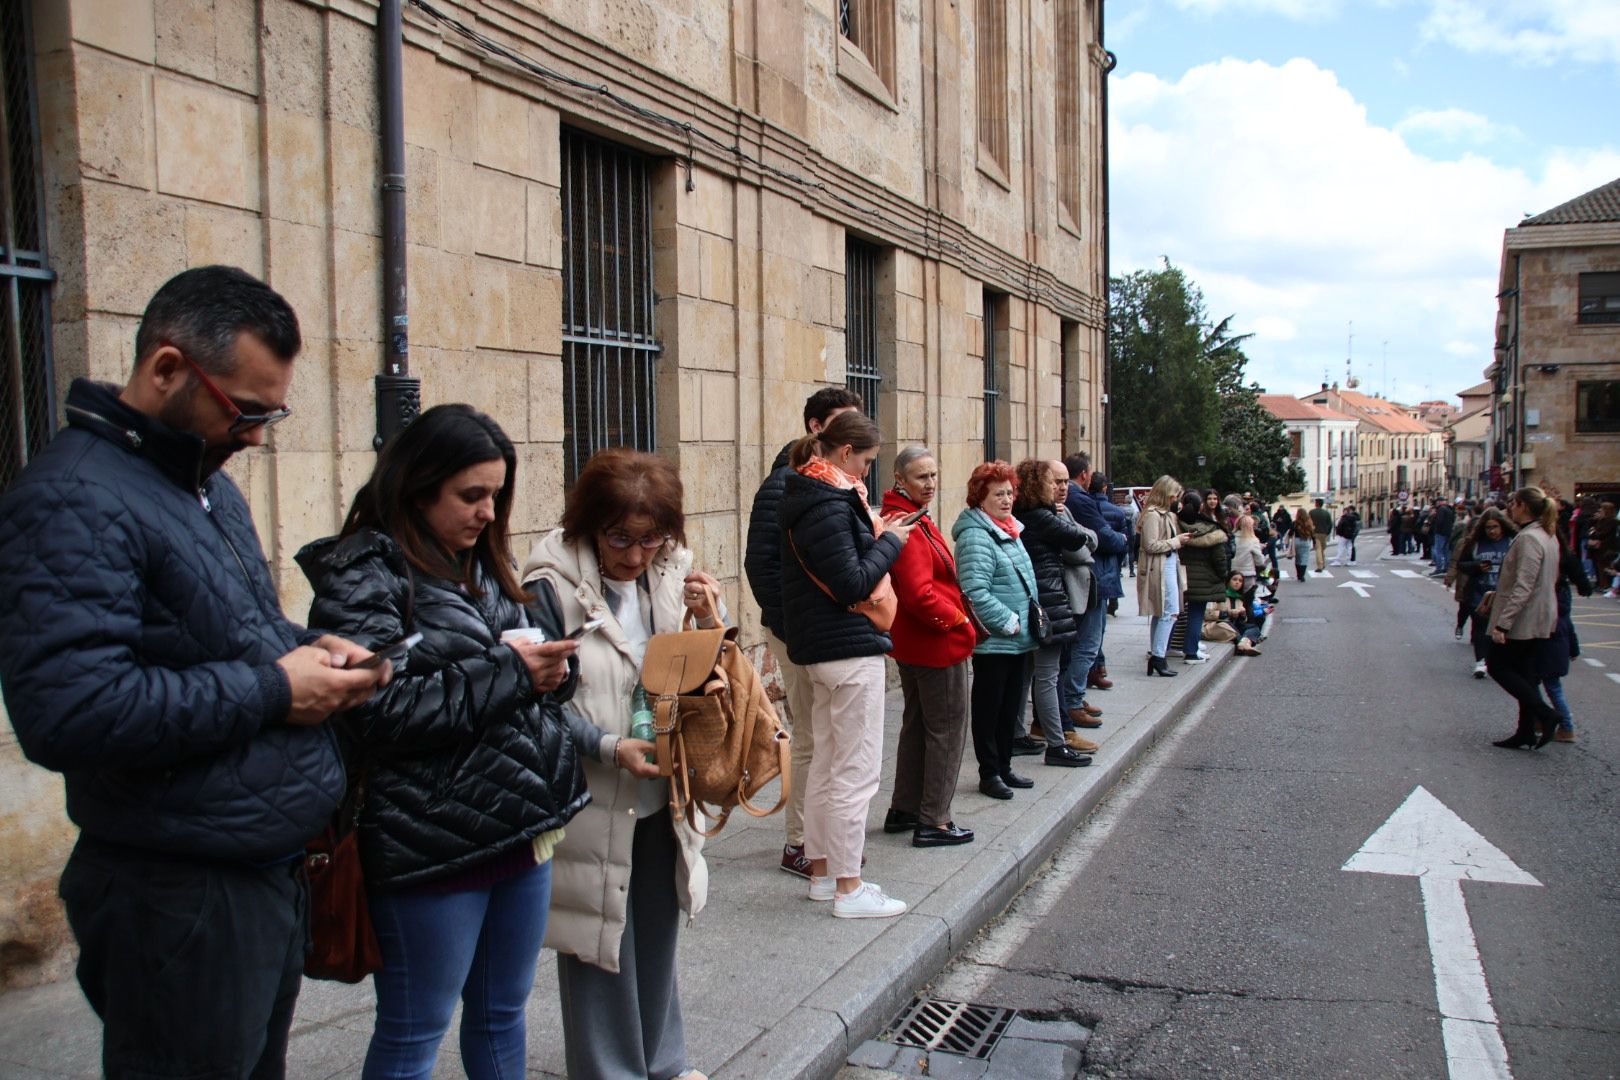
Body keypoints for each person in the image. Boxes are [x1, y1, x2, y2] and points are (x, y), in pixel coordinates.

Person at [0, 266, 388, 1078]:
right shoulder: (73, 499)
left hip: (257, 872)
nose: (253, 435)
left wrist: (309, 648)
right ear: (167, 369)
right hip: (178, 892)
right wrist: (280, 688)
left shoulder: (204, 489)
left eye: (270, 414)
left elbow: (223, 630)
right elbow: (69, 710)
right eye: (243, 410)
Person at [299, 405, 588, 1080]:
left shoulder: (484, 564)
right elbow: (377, 709)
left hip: (520, 829)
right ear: (415, 485)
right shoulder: (364, 575)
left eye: (495, 495)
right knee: (413, 1030)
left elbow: (524, 681)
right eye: (471, 495)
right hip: (426, 845)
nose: (488, 512)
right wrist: (512, 674)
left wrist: (553, 669)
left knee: (501, 1015)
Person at [522, 448, 719, 1077]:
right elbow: (535, 705)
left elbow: (697, 673)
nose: (635, 556)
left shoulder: (670, 569)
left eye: (650, 539)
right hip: (592, 793)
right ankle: (611, 1072)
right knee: (597, 942)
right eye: (619, 539)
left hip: (666, 787)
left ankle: (660, 1063)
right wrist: (608, 748)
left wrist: (711, 620)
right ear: (587, 526)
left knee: (656, 934)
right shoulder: (548, 586)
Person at [778, 411, 912, 918]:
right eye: (867, 461)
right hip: (848, 649)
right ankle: (849, 889)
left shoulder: (808, 495)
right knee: (855, 773)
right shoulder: (829, 504)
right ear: (842, 452)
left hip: (821, 648)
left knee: (828, 769)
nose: (867, 472)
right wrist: (890, 544)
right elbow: (853, 583)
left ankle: (821, 875)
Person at [742, 388, 863, 878]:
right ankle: (801, 845)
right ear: (815, 428)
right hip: (801, 634)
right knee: (813, 739)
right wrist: (794, 628)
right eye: (841, 424)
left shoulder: (838, 480)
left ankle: (827, 839)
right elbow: (760, 565)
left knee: (835, 740)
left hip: (830, 632)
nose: (851, 436)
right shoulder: (783, 484)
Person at [881, 446, 977, 846]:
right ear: (900, 480)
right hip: (935, 643)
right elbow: (920, 595)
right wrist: (959, 622)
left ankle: (905, 808)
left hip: (913, 644)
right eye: (922, 477)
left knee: (918, 724)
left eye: (934, 475)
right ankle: (934, 820)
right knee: (948, 730)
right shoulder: (908, 523)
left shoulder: (902, 516)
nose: (931, 483)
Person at [954, 461, 1041, 796]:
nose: (1006, 499)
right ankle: (990, 773)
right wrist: (1010, 620)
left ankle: (1004, 767)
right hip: (995, 640)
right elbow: (974, 590)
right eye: (998, 494)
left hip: (1017, 639)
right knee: (990, 710)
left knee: (1010, 708)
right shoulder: (978, 535)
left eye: (1009, 492)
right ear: (980, 497)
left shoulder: (1008, 528)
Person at [1014, 459, 1097, 768]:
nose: (1059, 489)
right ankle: (1057, 744)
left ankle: (1017, 733)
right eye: (1053, 482)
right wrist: (1066, 521)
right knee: (1048, 676)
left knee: (1026, 674)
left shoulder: (1024, 516)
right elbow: (1081, 541)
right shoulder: (1043, 517)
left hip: (1033, 602)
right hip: (1047, 604)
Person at [1485, 488, 1564, 750]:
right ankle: (1526, 731)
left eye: (1513, 503)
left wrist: (1503, 623)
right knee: (1525, 673)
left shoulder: (1529, 538)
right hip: (1541, 613)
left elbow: (1524, 585)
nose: (1510, 508)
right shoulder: (1546, 535)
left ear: (1523, 506)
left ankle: (1545, 714)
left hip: (1524, 617)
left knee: (1497, 665)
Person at [1062, 453, 1128, 728]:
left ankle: (1072, 698)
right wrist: (1122, 538)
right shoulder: (1079, 499)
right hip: (1090, 578)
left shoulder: (1072, 501)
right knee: (1088, 643)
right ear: (1085, 474)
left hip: (1088, 578)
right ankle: (1072, 700)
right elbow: (1102, 538)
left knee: (1081, 644)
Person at [1136, 476, 1193, 676]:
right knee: (1170, 611)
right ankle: (1158, 656)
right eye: (1175, 496)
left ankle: (1158, 654)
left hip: (1168, 563)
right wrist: (1176, 541)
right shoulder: (1153, 515)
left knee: (1164, 611)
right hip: (1159, 565)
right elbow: (1150, 545)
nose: (1176, 499)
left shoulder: (1167, 515)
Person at [1542, 526, 1592, 743]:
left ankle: (1566, 726)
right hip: (1557, 638)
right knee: (1542, 682)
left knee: (1550, 684)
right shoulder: (1564, 558)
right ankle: (1541, 717)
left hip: (1550, 638)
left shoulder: (1554, 595)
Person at [1453, 508, 1514, 677]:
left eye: (1495, 527)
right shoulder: (1475, 544)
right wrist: (1476, 567)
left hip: (1504, 594)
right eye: (1488, 528)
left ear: (1503, 526)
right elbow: (1461, 564)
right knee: (1480, 627)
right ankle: (1481, 662)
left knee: (1501, 629)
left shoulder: (1512, 542)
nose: (1492, 531)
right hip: (1480, 593)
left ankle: (1498, 661)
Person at [1177, 490, 1230, 665]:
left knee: (1177, 614)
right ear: (1201, 506)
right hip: (1205, 577)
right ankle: (1191, 651)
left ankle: (1180, 647)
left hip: (1184, 575)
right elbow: (1220, 558)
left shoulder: (1179, 525)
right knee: (1196, 615)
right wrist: (1224, 575)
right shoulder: (1210, 529)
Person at [1088, 473, 1128, 676]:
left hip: (1089, 571)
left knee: (1092, 627)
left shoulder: (1083, 506)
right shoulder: (1116, 512)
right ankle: (1096, 667)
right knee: (1096, 628)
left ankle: (1097, 665)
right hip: (1105, 571)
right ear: (1105, 487)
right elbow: (1121, 545)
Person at [1207, 571, 1263, 656]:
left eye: (1240, 581)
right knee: (1230, 627)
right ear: (1228, 581)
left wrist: (1243, 614)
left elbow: (1242, 621)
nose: (1237, 582)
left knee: (1254, 628)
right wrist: (1228, 613)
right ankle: (1245, 644)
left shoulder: (1239, 598)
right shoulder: (1218, 595)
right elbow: (1207, 613)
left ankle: (1244, 643)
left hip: (1234, 625)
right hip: (1218, 624)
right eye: (1235, 579)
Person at [1231, 515, 1267, 596]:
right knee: (1248, 601)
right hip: (1247, 575)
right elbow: (1259, 561)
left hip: (1232, 573)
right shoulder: (1253, 540)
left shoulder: (1231, 538)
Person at [1308, 498, 1333, 571]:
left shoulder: (1311, 512)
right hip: (1324, 533)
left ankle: (1320, 566)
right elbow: (1330, 524)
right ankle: (1323, 563)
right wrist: (1327, 532)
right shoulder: (1326, 513)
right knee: (1322, 549)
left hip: (1315, 533)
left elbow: (1309, 523)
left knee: (1318, 549)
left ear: (1316, 504)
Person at [1291, 508, 1313, 582]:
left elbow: (1290, 532)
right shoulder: (1309, 523)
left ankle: (1298, 574)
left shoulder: (1295, 523)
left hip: (1297, 541)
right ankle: (1302, 575)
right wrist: (1314, 541)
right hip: (1306, 541)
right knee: (1304, 558)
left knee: (1297, 558)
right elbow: (1312, 532)